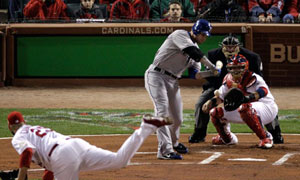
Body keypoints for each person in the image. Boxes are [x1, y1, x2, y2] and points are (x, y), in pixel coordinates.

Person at [8, 111, 172, 180]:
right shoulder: (35, 129)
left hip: (61, 155)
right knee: (119, 161)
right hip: (75, 145)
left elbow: (27, 152)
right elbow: (51, 170)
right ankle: (147, 126)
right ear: (24, 121)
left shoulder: (18, 136)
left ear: (10, 127)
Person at [145, 19, 221, 160]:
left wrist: (212, 73)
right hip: (156, 75)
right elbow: (193, 52)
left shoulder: (196, 50)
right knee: (162, 112)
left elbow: (195, 75)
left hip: (173, 80)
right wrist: (212, 67)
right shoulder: (180, 35)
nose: (204, 38)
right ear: (195, 31)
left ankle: (174, 143)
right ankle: (164, 150)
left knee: (177, 118)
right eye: (202, 35)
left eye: (206, 35)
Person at [188, 34, 284, 144]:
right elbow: (211, 81)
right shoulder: (213, 55)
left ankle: (273, 134)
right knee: (205, 105)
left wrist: (245, 95)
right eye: (232, 68)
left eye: (233, 47)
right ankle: (203, 134)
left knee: (263, 104)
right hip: (221, 84)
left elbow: (261, 87)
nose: (230, 49)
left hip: (247, 87)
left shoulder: (252, 58)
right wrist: (214, 95)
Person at [202, 54, 277, 149]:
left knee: (245, 107)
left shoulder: (253, 77)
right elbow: (220, 97)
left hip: (267, 108)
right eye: (233, 68)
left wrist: (246, 98)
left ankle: (266, 137)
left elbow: (263, 92)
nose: (236, 70)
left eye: (239, 67)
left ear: (245, 67)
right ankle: (227, 139)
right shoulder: (228, 79)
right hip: (245, 110)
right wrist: (210, 102)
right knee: (215, 112)